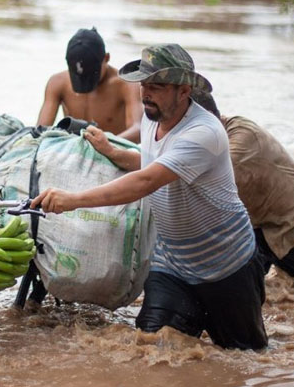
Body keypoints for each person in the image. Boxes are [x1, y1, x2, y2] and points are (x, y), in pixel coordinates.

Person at [32, 44, 267, 350]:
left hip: (226, 266)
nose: (146, 93)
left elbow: (146, 181)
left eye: (156, 86)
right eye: (144, 84)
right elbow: (149, 162)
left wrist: (73, 200)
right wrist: (113, 151)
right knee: (151, 348)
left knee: (245, 360)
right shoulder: (151, 118)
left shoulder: (203, 133)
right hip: (172, 264)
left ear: (184, 91)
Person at [191, 91, 294, 287]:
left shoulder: (241, 140)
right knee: (262, 296)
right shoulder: (215, 137)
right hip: (259, 230)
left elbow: (195, 182)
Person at [36, 28, 143, 140]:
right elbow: (41, 131)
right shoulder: (58, 82)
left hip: (113, 150)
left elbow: (138, 129)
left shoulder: (127, 85)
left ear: (106, 58)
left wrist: (106, 145)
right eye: (79, 77)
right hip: (73, 150)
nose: (84, 80)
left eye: (91, 74)